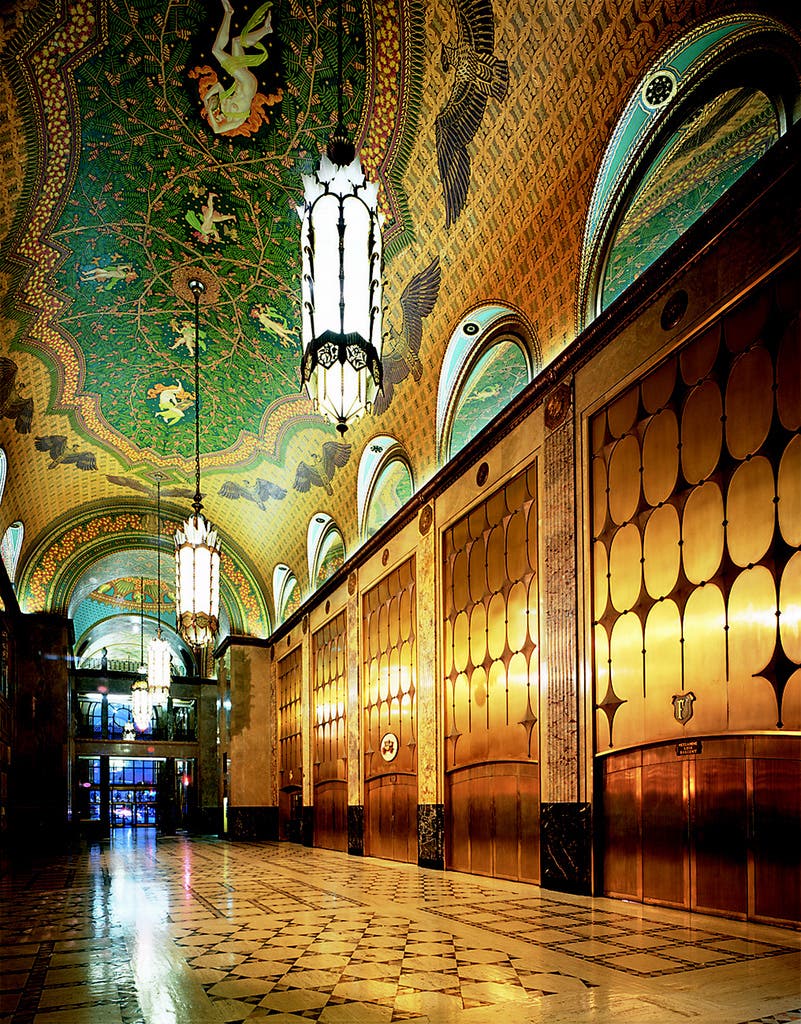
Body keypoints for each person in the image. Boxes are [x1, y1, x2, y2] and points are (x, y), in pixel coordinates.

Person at [203, 0, 273, 134]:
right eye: (216, 118)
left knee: (236, 42)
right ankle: (229, 13)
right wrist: (209, 111)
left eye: (214, 115)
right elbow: (217, 130)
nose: (217, 118)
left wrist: (207, 98)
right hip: (247, 83)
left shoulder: (223, 103)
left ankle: (266, 29)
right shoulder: (235, 122)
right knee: (216, 50)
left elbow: (218, 86)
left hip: (243, 79)